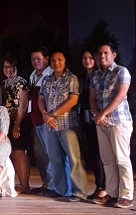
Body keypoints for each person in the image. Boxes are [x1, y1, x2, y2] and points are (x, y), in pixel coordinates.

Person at [38, 51, 87, 202]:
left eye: (59, 60)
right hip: (50, 126)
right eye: (53, 60)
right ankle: (60, 190)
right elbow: (40, 98)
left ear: (65, 61)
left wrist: (53, 114)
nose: (56, 62)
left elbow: (73, 100)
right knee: (55, 159)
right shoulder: (46, 79)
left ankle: (79, 192)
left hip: (67, 125)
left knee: (74, 159)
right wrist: (45, 114)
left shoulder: (71, 78)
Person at [90, 43, 134, 209]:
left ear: (113, 55)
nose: (102, 56)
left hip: (118, 121)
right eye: (100, 53)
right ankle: (112, 193)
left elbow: (122, 94)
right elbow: (92, 98)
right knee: (107, 160)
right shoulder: (96, 75)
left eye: (106, 53)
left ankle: (127, 196)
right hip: (102, 123)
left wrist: (103, 113)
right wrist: (97, 114)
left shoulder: (121, 71)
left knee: (122, 159)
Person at [1, 56, 31, 194]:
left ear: (16, 69)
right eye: (5, 67)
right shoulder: (3, 83)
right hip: (6, 122)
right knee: (12, 152)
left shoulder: (22, 82)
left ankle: (25, 185)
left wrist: (17, 124)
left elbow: (23, 104)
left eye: (10, 67)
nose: (8, 69)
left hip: (19, 121)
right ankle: (19, 183)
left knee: (19, 153)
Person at [78, 49, 106, 201]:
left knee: (102, 155)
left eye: (90, 58)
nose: (87, 60)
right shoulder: (84, 78)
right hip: (87, 121)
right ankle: (99, 186)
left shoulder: (99, 76)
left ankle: (105, 188)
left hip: (99, 120)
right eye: (84, 57)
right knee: (95, 154)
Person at [28, 46, 55, 196]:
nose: (36, 61)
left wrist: (48, 115)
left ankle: (54, 186)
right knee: (39, 153)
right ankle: (46, 184)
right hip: (35, 120)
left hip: (47, 120)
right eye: (33, 59)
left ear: (46, 58)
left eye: (39, 58)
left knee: (50, 153)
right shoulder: (32, 75)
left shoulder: (51, 74)